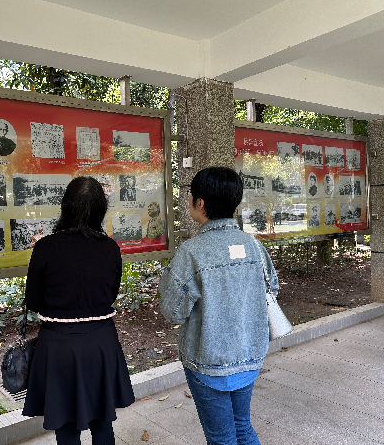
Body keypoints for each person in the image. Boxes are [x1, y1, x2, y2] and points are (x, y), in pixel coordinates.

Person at [158, 167, 278, 445]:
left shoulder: (191, 252)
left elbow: (173, 311)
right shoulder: (254, 246)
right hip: (250, 355)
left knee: (221, 438)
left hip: (207, 361)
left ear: (200, 203)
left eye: (190, 197)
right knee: (242, 427)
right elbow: (271, 290)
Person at [22, 176, 135, 445]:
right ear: (100, 210)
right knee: (102, 421)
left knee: (66, 427)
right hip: (101, 344)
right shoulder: (110, 248)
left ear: (66, 207)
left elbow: (33, 301)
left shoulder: (46, 247)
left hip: (58, 345)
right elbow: (110, 295)